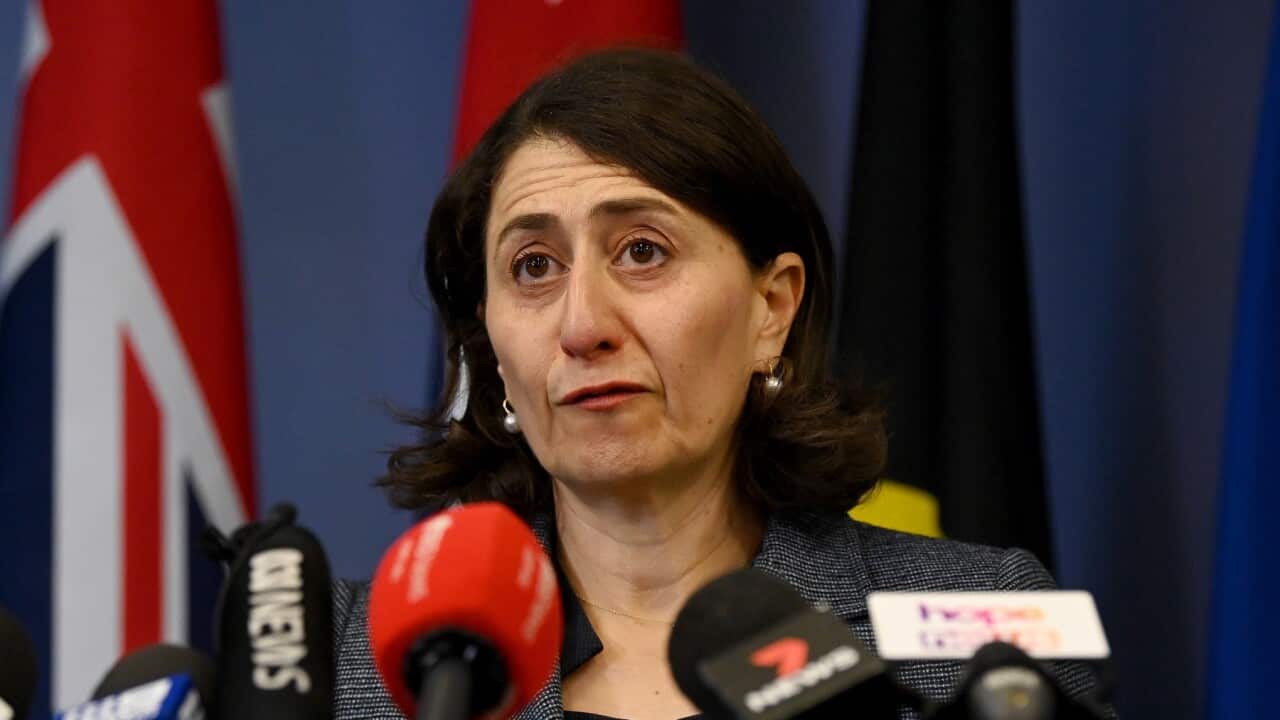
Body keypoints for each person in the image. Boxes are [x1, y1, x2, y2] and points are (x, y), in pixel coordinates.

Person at [332, 48, 1106, 720]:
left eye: (641, 250)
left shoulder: (987, 618)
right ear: (492, 347)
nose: (582, 325)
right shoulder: (346, 666)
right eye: (533, 266)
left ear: (771, 310)